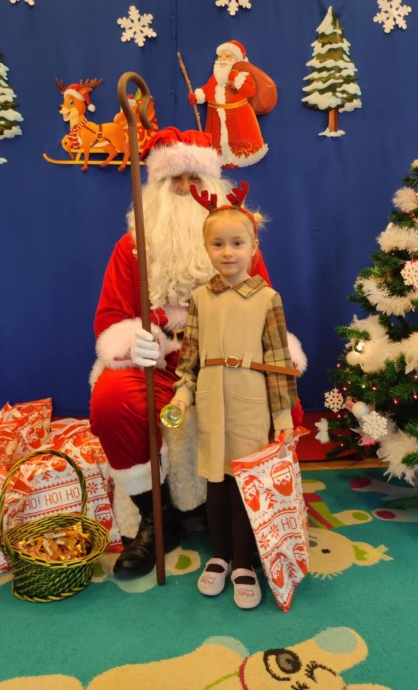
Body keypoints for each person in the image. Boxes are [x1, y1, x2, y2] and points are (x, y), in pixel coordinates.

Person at [89, 127, 298, 578]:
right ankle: (155, 518)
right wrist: (134, 341)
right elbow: (110, 317)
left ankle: (255, 512)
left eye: (194, 178)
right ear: (156, 186)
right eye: (174, 179)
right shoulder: (130, 247)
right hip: (162, 363)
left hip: (229, 360)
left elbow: (265, 309)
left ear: (212, 184)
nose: (185, 188)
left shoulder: (239, 242)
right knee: (112, 400)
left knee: (281, 404)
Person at [165, 180, 300, 609]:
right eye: (218, 244)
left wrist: (283, 418)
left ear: (253, 246)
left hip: (251, 404)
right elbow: (189, 357)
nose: (228, 253)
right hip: (210, 402)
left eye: (237, 243)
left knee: (246, 484)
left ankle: (244, 561)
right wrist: (182, 394)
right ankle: (220, 555)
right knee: (216, 482)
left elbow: (278, 362)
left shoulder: (267, 299)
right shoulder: (200, 299)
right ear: (206, 248)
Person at [190, 40, 275, 169]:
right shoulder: (216, 78)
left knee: (240, 140)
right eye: (220, 56)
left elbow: (249, 91)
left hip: (239, 117)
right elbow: (208, 90)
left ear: (237, 59)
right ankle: (221, 158)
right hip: (216, 118)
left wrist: (236, 78)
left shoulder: (242, 76)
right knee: (218, 142)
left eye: (228, 56)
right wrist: (198, 96)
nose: (223, 59)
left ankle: (242, 156)